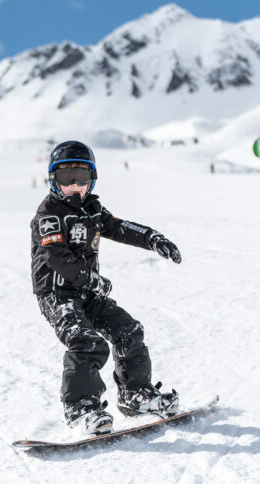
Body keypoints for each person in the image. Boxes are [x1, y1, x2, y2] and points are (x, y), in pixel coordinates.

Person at [30, 140, 182, 435]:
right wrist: (89, 279)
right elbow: (54, 255)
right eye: (66, 178)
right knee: (86, 341)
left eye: (81, 178)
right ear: (53, 180)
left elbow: (120, 227)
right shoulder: (49, 214)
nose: (74, 186)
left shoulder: (92, 210)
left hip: (87, 293)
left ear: (92, 179)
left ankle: (135, 394)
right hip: (57, 294)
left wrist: (152, 238)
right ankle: (80, 408)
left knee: (129, 331)